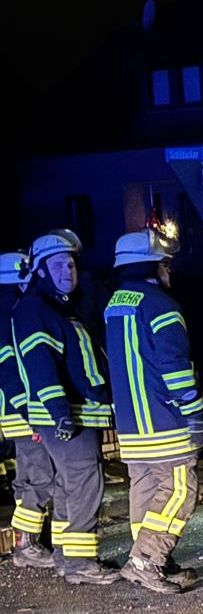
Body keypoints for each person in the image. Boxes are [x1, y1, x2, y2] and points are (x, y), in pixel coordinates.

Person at [104, 228, 203, 593]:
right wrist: (195, 412)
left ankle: (150, 558)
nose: (169, 270)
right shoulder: (161, 305)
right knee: (181, 490)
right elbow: (175, 367)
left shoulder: (115, 304)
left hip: (131, 424)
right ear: (151, 265)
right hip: (164, 420)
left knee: (146, 490)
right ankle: (147, 560)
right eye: (165, 263)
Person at [11, 229, 119, 584]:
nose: (67, 271)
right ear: (40, 270)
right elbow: (39, 362)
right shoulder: (35, 308)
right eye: (58, 264)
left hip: (77, 411)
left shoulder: (60, 306)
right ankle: (78, 562)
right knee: (84, 482)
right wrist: (59, 412)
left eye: (71, 264)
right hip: (66, 414)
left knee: (71, 483)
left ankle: (67, 557)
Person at [0, 250, 56, 569]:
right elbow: (11, 372)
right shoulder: (10, 318)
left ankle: (29, 542)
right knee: (42, 476)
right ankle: (26, 544)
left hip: (16, 412)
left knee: (28, 477)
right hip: (24, 412)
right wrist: (30, 415)